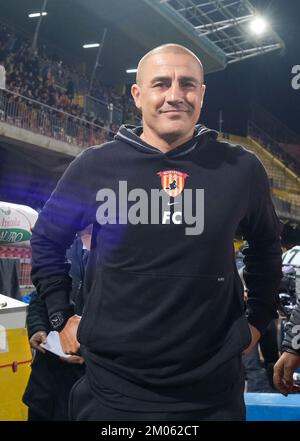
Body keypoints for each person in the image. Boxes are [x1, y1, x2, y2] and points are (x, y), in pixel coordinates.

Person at [30, 44, 283, 421]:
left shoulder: (240, 168)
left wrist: (257, 322)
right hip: (112, 388)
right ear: (137, 95)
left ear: (201, 94)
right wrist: (60, 318)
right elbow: (47, 239)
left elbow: (266, 246)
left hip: (211, 390)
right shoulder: (95, 166)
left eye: (188, 84)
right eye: (161, 83)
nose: (175, 96)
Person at [23, 228, 91, 420]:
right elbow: (39, 298)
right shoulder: (64, 251)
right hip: (44, 383)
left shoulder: (117, 259)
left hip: (82, 388)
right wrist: (38, 328)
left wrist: (84, 351)